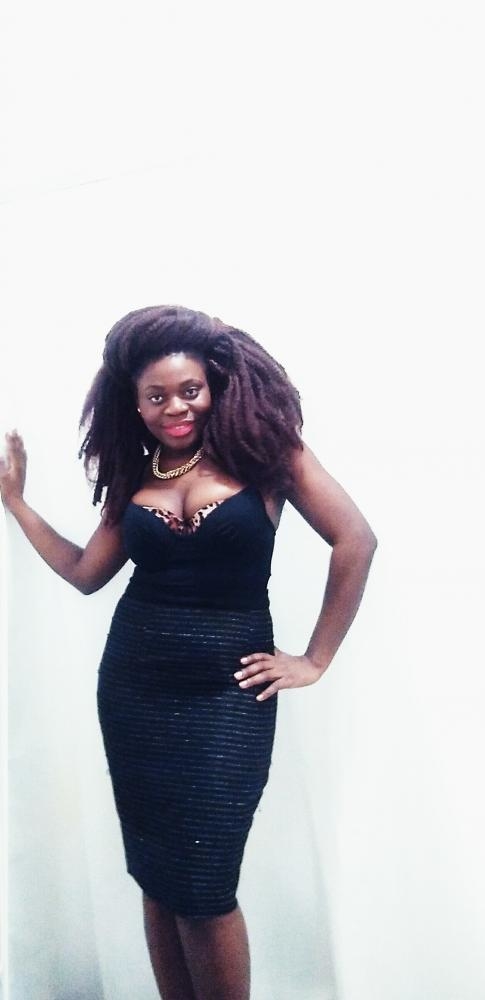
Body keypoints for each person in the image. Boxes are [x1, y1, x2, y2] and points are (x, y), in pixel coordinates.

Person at [0, 305, 377, 1000]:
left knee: (204, 887)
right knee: (158, 876)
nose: (174, 407)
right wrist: (17, 503)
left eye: (189, 390)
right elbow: (86, 572)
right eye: (156, 396)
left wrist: (314, 658)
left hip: (229, 693)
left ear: (214, 386)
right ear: (134, 403)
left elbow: (355, 539)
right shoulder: (134, 473)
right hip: (135, 687)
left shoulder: (268, 453)